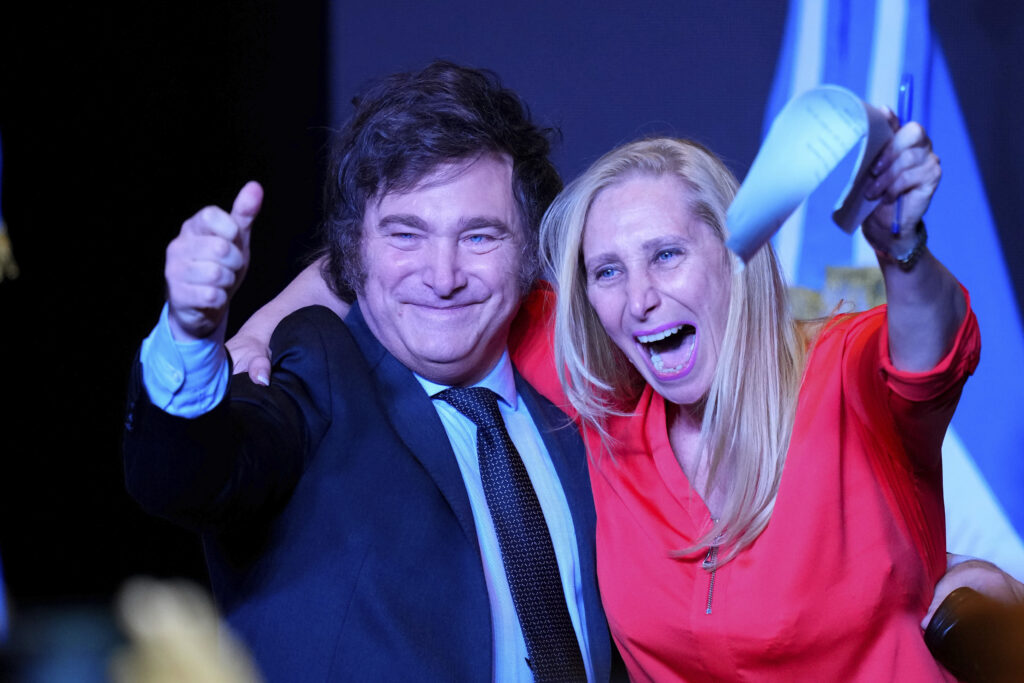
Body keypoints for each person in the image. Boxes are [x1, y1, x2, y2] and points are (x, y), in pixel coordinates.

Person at [229, 123, 1024, 678]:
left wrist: (904, 247)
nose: (638, 297)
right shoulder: (601, 405)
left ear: (736, 254)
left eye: (667, 255)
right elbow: (400, 273)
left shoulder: (841, 374)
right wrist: (256, 330)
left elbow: (931, 345)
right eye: (607, 271)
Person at [122, 61, 621, 682]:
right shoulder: (316, 372)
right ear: (353, 250)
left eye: (480, 237)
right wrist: (191, 334)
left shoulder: (573, 424)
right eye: (406, 234)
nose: (443, 278)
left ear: (530, 254)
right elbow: (188, 477)